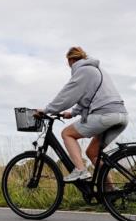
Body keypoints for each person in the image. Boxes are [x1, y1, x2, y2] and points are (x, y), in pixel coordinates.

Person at [35, 46, 128, 182]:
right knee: (92, 153)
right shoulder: (97, 70)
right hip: (121, 115)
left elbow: (66, 95)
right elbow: (89, 96)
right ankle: (109, 189)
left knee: (67, 134)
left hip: (105, 115)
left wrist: (47, 109)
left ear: (71, 60)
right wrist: (72, 113)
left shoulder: (83, 71)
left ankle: (80, 170)